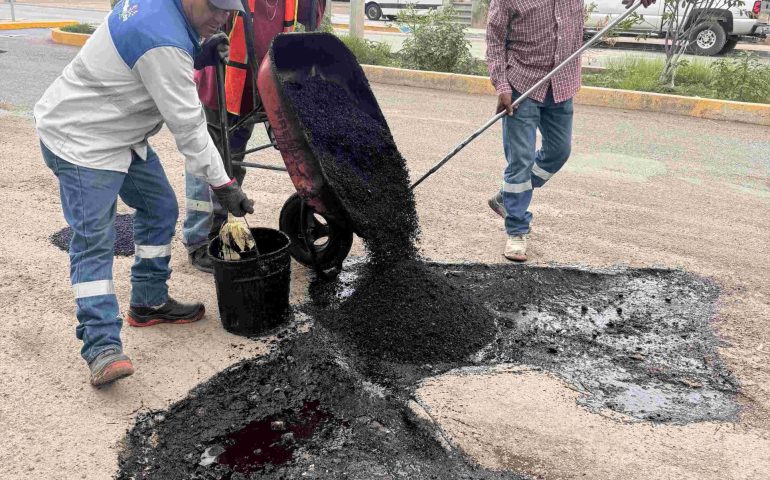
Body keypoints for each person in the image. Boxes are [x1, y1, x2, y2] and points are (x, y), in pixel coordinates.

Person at [35, 0, 254, 387]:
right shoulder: (162, 42)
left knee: (159, 207)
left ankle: (149, 302)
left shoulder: (164, 16)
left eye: (229, 11)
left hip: (120, 131)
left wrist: (196, 52)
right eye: (217, 8)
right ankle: (101, 346)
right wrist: (225, 185)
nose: (224, 19)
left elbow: (145, 60)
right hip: (83, 138)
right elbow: (189, 129)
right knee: (93, 241)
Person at [486, 0, 654, 262]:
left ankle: (507, 198)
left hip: (562, 82)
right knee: (521, 160)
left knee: (558, 152)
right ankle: (517, 228)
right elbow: (495, 41)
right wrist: (502, 86)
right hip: (522, 84)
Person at [184, 0, 325, 273]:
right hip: (222, 85)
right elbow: (202, 22)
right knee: (208, 160)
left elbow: (311, 18)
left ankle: (220, 227)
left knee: (233, 160)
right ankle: (198, 240)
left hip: (255, 89)